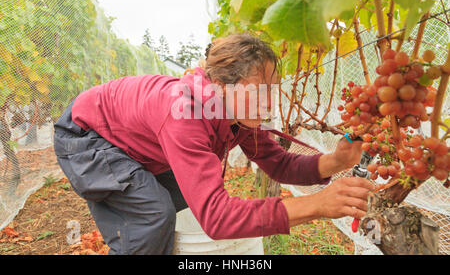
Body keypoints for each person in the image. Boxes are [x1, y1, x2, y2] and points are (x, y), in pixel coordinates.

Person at [53, 33, 374, 255]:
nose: (268, 103)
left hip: (129, 142)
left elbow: (279, 162)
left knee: (181, 204)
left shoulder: (236, 111)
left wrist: (336, 161)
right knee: (153, 215)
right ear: (221, 86)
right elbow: (218, 218)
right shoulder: (186, 114)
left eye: (271, 89)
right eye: (258, 90)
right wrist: (317, 204)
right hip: (87, 135)